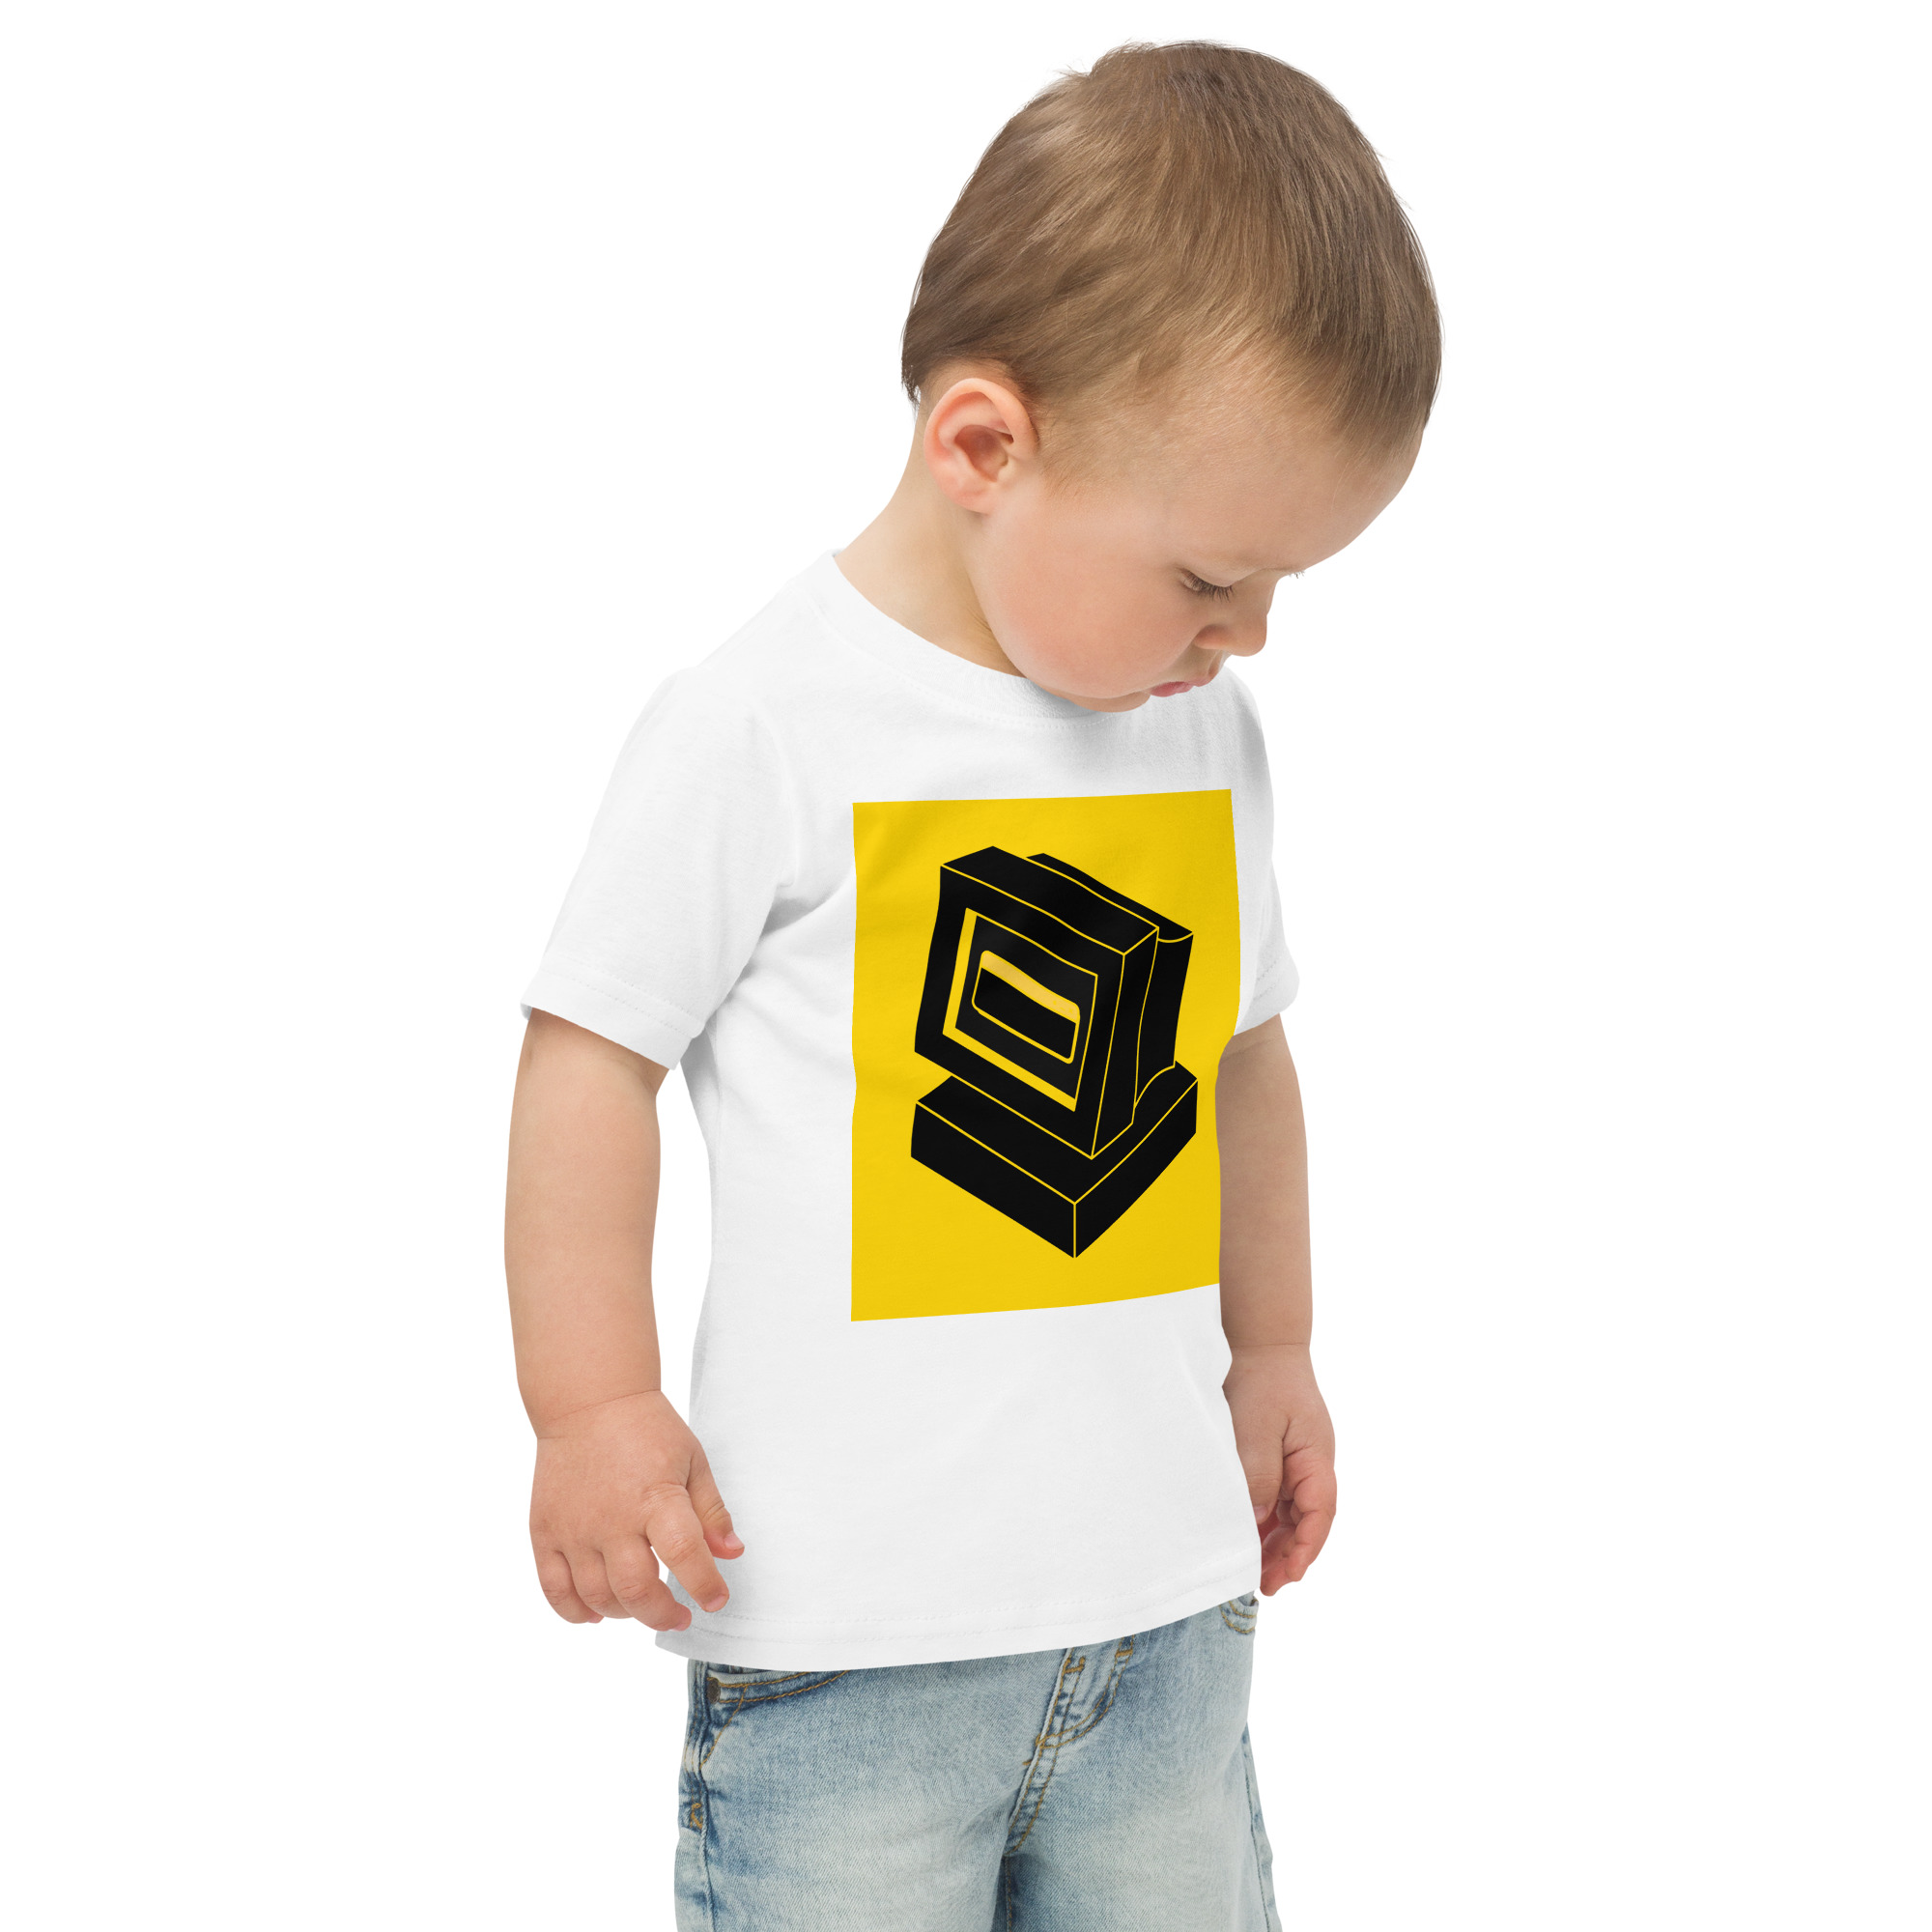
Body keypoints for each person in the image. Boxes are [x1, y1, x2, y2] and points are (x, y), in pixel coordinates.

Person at [505, 40, 1437, 1930]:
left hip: (1165, 1624)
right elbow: (590, 1053)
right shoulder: (763, 722)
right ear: (986, 447)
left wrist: (1273, 1345)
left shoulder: (1197, 726)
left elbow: (1241, 1058)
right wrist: (590, 1405)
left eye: (1278, 589)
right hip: (848, 1644)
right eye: (1209, 576)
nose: (1248, 635)